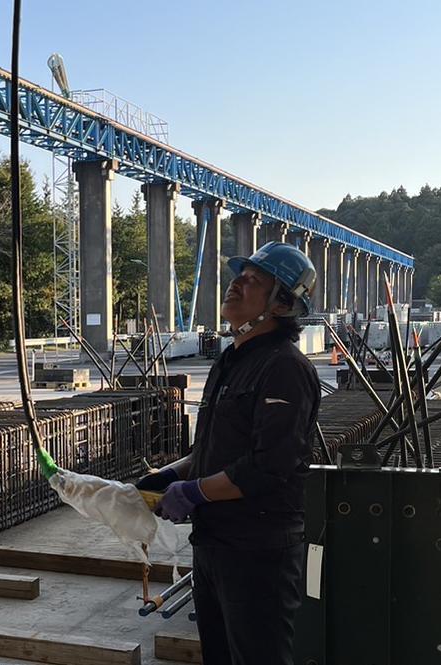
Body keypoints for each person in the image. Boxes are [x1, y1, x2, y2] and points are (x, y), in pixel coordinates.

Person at [137, 241, 320, 665]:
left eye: (253, 280)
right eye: (239, 275)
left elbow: (268, 466)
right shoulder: (230, 361)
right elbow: (212, 448)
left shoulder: (285, 368)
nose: (235, 284)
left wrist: (194, 491)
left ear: (281, 304)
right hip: (214, 544)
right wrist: (172, 474)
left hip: (258, 552)